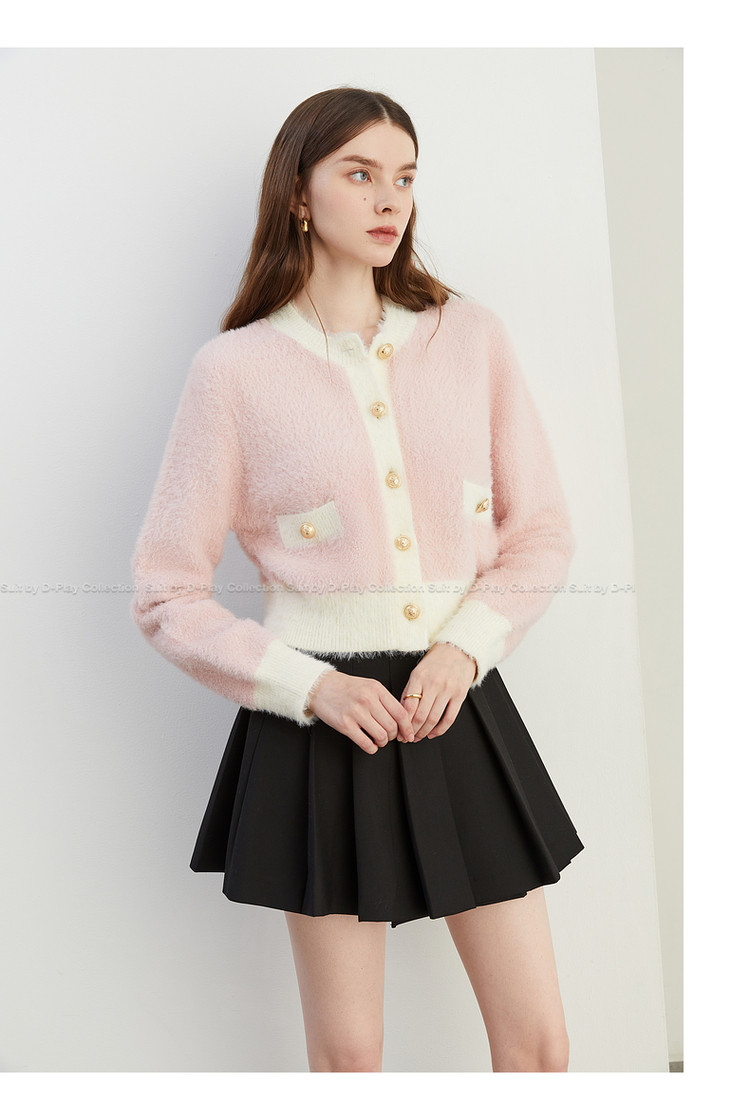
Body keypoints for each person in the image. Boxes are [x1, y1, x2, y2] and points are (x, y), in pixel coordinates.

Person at [129, 86, 585, 1073]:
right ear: (299, 194)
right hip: (318, 726)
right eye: (361, 173)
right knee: (348, 1058)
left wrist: (464, 647)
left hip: (458, 700)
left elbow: (542, 531)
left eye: (405, 178)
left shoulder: (469, 337)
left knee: (539, 1045)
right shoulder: (233, 372)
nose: (390, 200)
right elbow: (166, 593)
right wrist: (311, 687)